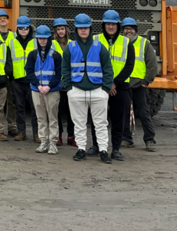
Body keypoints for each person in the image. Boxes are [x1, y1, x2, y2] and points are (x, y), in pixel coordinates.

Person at [62, 13, 115, 164]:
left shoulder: (100, 47)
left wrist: (105, 89)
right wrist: (70, 88)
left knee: (101, 123)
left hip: (97, 90)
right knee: (79, 123)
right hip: (77, 90)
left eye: (85, 28)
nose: (83, 31)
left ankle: (104, 150)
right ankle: (81, 149)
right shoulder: (70, 47)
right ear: (76, 30)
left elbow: (108, 69)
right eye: (80, 28)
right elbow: (64, 69)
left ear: (90, 29)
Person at [95, 9, 135, 162]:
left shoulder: (126, 42)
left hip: (120, 87)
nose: (110, 27)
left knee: (119, 119)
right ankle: (97, 147)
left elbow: (129, 65)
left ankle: (116, 149)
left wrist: (115, 83)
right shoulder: (95, 40)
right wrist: (106, 83)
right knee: (98, 119)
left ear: (118, 26)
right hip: (99, 85)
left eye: (113, 24)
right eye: (108, 24)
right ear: (104, 25)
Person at [122, 17, 158, 152]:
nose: (128, 31)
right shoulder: (120, 43)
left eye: (130, 29)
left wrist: (146, 81)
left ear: (135, 30)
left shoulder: (144, 43)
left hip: (139, 84)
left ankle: (149, 140)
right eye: (126, 29)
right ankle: (126, 139)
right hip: (124, 84)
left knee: (144, 113)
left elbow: (152, 64)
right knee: (124, 113)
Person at [28, 25, 62, 154]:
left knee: (53, 117)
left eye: (45, 38)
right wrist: (38, 85)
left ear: (49, 39)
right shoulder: (33, 55)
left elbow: (59, 74)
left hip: (52, 90)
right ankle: (43, 142)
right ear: (37, 39)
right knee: (41, 117)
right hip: (37, 90)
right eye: (40, 38)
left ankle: (53, 143)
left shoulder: (56, 56)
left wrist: (49, 86)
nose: (42, 41)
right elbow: (29, 71)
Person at [6, 15, 37, 142]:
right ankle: (21, 132)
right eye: (20, 28)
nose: (23, 30)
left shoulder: (35, 42)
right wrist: (11, 76)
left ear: (29, 28)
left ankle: (36, 134)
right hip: (17, 80)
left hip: (32, 81)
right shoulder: (12, 42)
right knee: (19, 107)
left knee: (35, 108)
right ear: (17, 29)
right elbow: (8, 60)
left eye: (25, 28)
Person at [52, 17, 75, 146]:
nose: (61, 31)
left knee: (73, 111)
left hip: (71, 82)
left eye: (62, 29)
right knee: (58, 111)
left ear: (66, 30)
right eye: (58, 29)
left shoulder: (72, 44)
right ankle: (58, 135)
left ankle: (71, 136)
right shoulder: (52, 44)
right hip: (57, 83)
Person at [0, 9, 19, 137]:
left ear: (8, 20)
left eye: (4, 18)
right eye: (0, 18)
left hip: (11, 74)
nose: (2, 20)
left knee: (11, 101)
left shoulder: (14, 36)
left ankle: (12, 126)